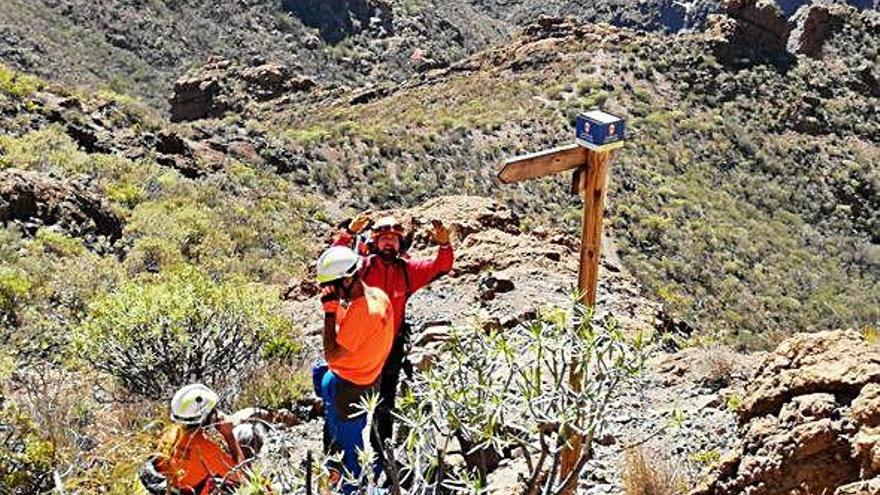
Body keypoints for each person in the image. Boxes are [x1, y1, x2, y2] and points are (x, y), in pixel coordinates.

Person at [333, 214, 453, 446]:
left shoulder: (407, 270)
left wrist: (444, 245)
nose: (389, 243)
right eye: (384, 238)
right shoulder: (361, 267)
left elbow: (441, 266)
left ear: (401, 244)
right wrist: (348, 234)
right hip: (358, 347)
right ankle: (342, 458)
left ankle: (380, 458)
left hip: (391, 347)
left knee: (385, 403)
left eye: (394, 239)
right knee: (348, 403)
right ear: (374, 243)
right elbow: (332, 263)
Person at [314, 245, 394, 492]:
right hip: (367, 377)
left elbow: (332, 353)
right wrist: (337, 307)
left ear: (348, 279)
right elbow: (348, 324)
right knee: (348, 439)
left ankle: (356, 488)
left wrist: (328, 313)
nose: (329, 292)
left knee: (350, 453)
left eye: (332, 285)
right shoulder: (377, 295)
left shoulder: (362, 312)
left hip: (349, 389)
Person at [140, 384, 250, 495]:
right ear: (209, 417)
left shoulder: (168, 434)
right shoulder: (205, 448)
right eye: (214, 410)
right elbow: (242, 476)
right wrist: (229, 435)